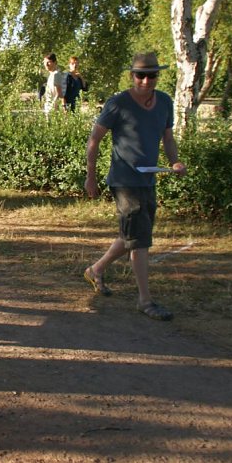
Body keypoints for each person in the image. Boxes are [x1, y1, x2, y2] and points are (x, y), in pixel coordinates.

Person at [83, 52, 187, 320]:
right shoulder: (118, 103)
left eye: (151, 75)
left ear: (157, 76)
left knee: (134, 234)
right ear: (132, 76)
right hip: (124, 180)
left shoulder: (164, 102)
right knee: (140, 240)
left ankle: (96, 270)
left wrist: (175, 162)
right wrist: (90, 176)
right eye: (140, 75)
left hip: (148, 178)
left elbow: (168, 137)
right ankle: (145, 300)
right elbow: (94, 140)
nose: (146, 81)